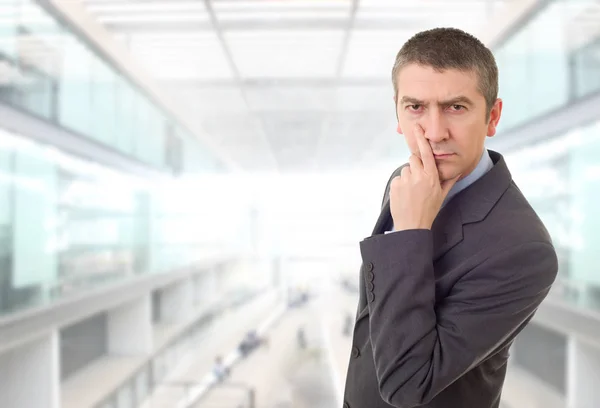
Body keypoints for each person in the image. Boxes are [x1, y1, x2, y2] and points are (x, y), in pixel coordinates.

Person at [342, 27, 558, 408]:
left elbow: (408, 385)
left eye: (456, 107)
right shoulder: (404, 180)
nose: (435, 133)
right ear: (397, 112)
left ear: (492, 117)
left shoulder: (524, 250)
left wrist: (410, 231)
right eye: (416, 108)